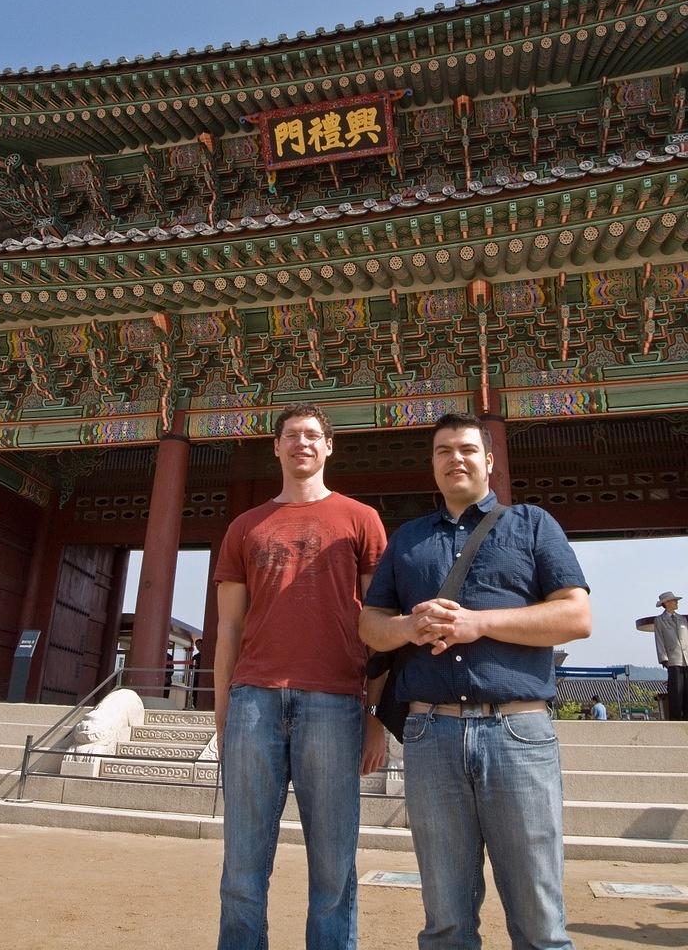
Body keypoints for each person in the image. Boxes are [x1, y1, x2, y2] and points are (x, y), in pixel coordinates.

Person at [359, 411, 591, 950]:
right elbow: (370, 626)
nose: (455, 459)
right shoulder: (409, 539)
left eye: (466, 449)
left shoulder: (532, 524)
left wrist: (477, 623)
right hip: (429, 735)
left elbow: (576, 618)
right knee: (445, 919)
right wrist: (410, 626)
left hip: (517, 732)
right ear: (433, 465)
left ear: (489, 460)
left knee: (539, 918)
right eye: (443, 451)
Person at [213, 401, 387, 950]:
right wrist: (222, 712)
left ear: (329, 446)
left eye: (313, 435)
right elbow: (229, 628)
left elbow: (379, 625)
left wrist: (376, 717)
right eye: (291, 435)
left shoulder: (361, 520)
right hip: (254, 700)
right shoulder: (245, 527)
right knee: (242, 864)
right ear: (276, 447)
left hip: (335, 700)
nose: (302, 444)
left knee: (334, 866)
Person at [653, 590, 688, 721]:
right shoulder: (660, 620)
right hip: (673, 660)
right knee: (676, 692)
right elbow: (659, 640)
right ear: (666, 603)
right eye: (674, 600)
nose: (676, 602)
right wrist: (664, 659)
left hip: (687, 659)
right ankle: (676, 719)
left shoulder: (682, 619)